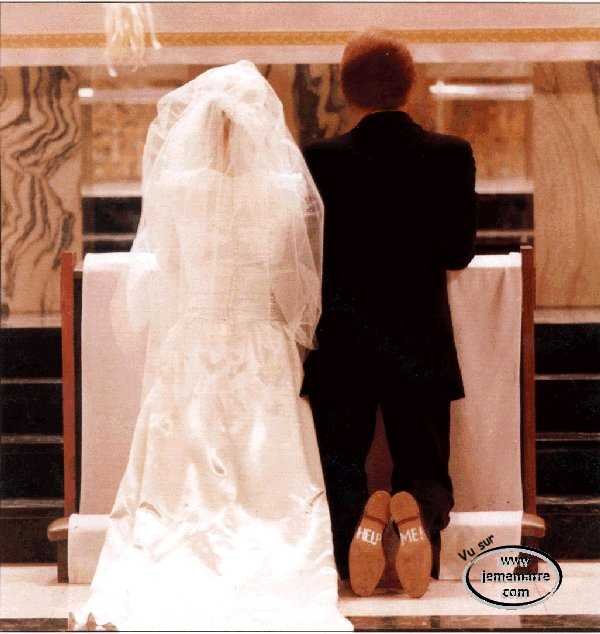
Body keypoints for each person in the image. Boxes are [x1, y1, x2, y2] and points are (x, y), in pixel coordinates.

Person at [70, 60, 351, 631]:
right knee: (265, 472)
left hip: (193, 340)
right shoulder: (283, 188)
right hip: (260, 343)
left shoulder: (178, 187)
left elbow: (167, 271)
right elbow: (293, 285)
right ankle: (272, 570)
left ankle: (169, 567)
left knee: (182, 472)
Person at [301, 30, 477, 598]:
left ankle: (355, 542)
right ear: (412, 85)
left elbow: (307, 252)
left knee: (341, 460)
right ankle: (418, 515)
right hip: (419, 337)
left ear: (344, 90)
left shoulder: (319, 160)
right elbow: (458, 252)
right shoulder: (450, 154)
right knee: (425, 460)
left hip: (344, 339)